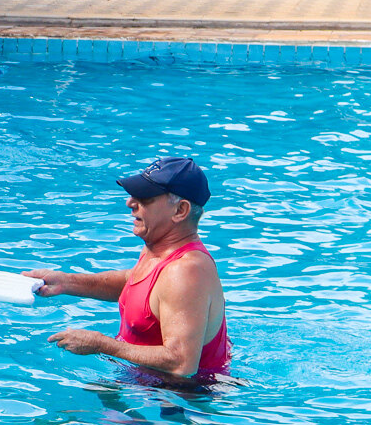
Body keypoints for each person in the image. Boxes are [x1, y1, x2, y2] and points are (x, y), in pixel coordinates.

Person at [24, 157, 232, 381]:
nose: (131, 203)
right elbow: (137, 285)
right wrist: (67, 282)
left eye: (145, 198)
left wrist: (102, 345)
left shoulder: (185, 270)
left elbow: (181, 363)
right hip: (144, 384)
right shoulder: (157, 252)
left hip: (178, 401)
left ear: (180, 210)